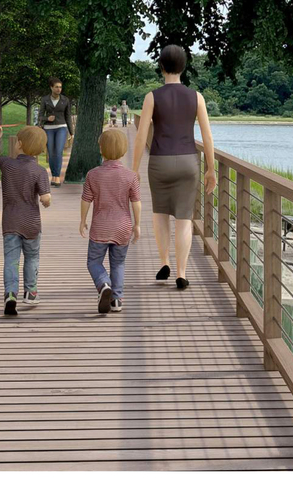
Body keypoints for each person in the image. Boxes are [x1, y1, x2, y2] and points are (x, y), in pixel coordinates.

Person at [131, 45, 216, 290]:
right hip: (188, 161)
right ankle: (181, 272)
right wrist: (211, 168)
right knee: (183, 219)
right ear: (183, 67)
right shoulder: (196, 97)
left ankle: (164, 261)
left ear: (161, 67)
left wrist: (134, 168)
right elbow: (207, 136)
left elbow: (141, 136)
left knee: (159, 213)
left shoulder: (152, 97)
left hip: (159, 161)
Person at [0, 124, 52, 315]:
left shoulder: (8, 165)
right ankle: (31, 292)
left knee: (11, 260)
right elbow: (45, 198)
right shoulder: (40, 171)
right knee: (32, 257)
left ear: (19, 144)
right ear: (42, 149)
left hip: (10, 222)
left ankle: (10, 293)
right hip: (32, 223)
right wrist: (46, 201)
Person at [80, 127, 141, 314]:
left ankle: (103, 283)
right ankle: (117, 299)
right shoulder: (131, 176)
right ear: (124, 150)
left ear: (100, 149)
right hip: (123, 226)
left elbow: (86, 200)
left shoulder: (93, 174)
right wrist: (137, 225)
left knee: (94, 262)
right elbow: (136, 202)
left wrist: (82, 221)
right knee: (119, 263)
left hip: (100, 226)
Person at [39, 77, 74, 187]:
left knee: (58, 151)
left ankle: (57, 177)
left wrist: (71, 132)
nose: (59, 89)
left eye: (60, 87)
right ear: (51, 87)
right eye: (56, 87)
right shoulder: (45, 100)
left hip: (61, 127)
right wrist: (46, 119)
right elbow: (40, 116)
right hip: (48, 129)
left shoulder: (65, 100)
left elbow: (68, 116)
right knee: (51, 152)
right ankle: (53, 176)